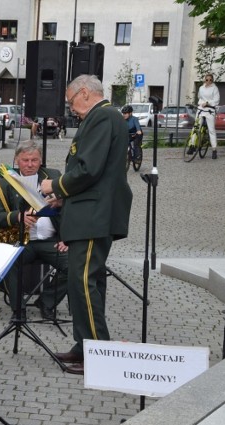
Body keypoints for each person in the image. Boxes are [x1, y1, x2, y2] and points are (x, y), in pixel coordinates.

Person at [40, 74, 133, 376]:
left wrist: (54, 186)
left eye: (71, 102)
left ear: (84, 93)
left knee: (82, 283)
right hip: (89, 212)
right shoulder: (104, 117)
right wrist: (63, 199)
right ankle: (86, 346)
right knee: (87, 283)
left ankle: (96, 354)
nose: (71, 109)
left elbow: (88, 169)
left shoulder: (103, 116)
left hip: (93, 217)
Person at [0, 140, 67, 320]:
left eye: (34, 160)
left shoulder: (53, 176)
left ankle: (46, 302)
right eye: (25, 160)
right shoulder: (5, 182)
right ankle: (19, 309)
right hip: (22, 241)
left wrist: (67, 238)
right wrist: (19, 217)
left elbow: (69, 209)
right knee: (9, 264)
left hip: (51, 240)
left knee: (77, 265)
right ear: (17, 160)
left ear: (41, 160)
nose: (30, 164)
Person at [188, 73, 220, 159]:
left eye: (210, 80)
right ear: (204, 80)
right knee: (196, 127)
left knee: (211, 130)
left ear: (212, 80)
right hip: (201, 109)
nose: (208, 81)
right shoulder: (201, 88)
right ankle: (192, 145)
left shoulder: (215, 88)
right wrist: (202, 103)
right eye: (207, 80)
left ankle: (214, 150)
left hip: (210, 110)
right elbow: (199, 97)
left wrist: (208, 103)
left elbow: (216, 100)